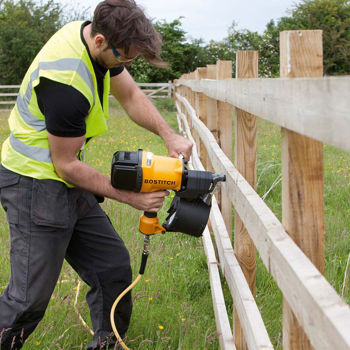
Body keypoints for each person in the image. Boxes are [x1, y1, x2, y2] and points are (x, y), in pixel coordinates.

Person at [0, 0, 192, 349]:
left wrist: (169, 134)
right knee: (28, 299)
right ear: (101, 41)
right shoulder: (66, 84)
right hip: (34, 183)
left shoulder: (96, 42)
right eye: (124, 58)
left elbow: (131, 95)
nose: (127, 65)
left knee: (112, 268)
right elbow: (67, 165)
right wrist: (132, 198)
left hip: (64, 179)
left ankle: (108, 343)